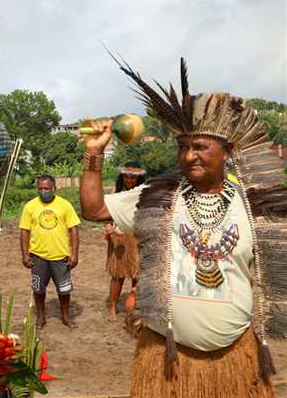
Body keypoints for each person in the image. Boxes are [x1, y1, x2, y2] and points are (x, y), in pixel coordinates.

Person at [80, 58, 285, 397]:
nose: (190, 156)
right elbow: (94, 209)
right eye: (182, 147)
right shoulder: (157, 196)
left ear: (227, 151)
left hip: (236, 362)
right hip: (165, 363)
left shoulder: (253, 206)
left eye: (200, 147)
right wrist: (93, 154)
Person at [20, 174, 81, 329]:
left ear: (54, 188)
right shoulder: (30, 206)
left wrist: (74, 254)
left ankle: (65, 316)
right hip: (38, 256)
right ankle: (41, 316)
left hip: (60, 257)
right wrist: (25, 254)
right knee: (38, 289)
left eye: (47, 188)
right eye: (40, 188)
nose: (43, 191)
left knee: (64, 289)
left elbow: (73, 230)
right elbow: (25, 231)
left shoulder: (65, 205)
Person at [105, 161, 146, 323]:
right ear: (122, 176)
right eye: (127, 176)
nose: (129, 179)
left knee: (137, 274)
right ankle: (112, 307)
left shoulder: (142, 193)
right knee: (117, 275)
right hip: (119, 238)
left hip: (137, 236)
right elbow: (107, 215)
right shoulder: (116, 193)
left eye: (133, 177)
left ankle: (135, 307)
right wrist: (108, 226)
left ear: (139, 178)